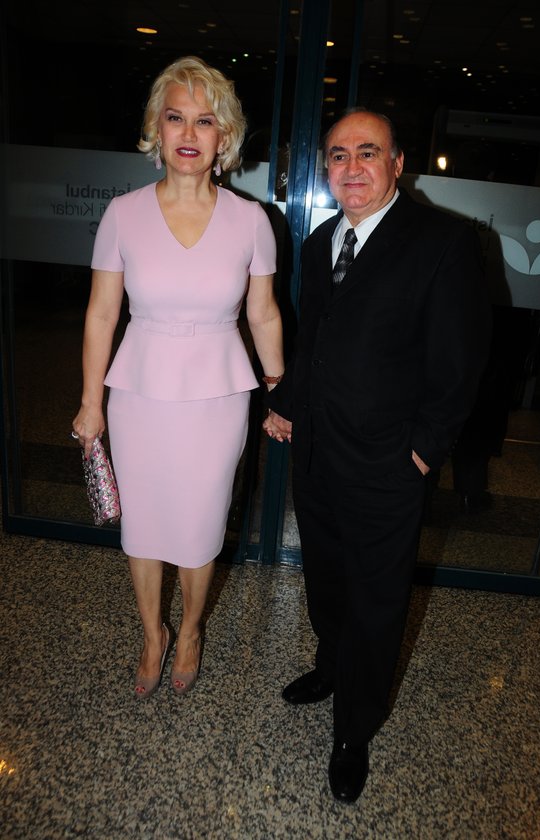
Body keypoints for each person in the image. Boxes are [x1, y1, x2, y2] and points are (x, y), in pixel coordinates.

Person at [264, 109, 491, 803]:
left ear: (397, 164)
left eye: (368, 153)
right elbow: (315, 340)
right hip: (318, 453)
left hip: (389, 465)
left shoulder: (445, 243)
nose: (352, 167)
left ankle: (354, 730)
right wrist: (288, 403)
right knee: (327, 579)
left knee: (377, 599)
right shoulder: (320, 243)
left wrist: (423, 453)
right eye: (339, 155)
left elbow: (460, 364)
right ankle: (331, 666)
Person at [72, 56, 284, 699]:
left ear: (225, 138)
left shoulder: (251, 221)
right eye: (175, 118)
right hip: (138, 392)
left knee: (200, 522)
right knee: (141, 524)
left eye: (205, 121)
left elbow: (263, 314)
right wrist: (90, 402)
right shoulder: (122, 214)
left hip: (218, 396)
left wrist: (280, 391)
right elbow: (101, 313)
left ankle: (189, 629)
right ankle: (152, 634)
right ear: (156, 130)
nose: (189, 133)